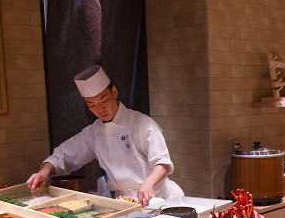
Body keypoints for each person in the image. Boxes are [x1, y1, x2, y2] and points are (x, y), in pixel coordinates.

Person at [26, 65, 183, 206]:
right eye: (92, 105)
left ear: (114, 92)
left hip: (161, 199)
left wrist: (148, 183)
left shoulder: (141, 123)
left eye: (103, 101)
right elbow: (64, 154)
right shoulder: (93, 133)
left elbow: (163, 163)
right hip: (125, 203)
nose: (100, 110)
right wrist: (44, 172)